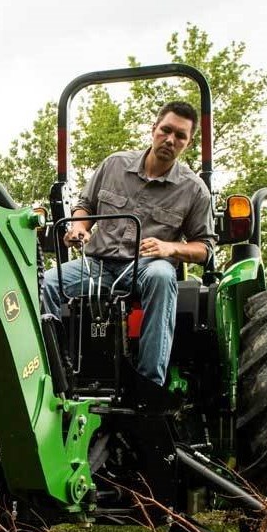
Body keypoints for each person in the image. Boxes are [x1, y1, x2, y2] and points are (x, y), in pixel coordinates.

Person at [41, 101, 215, 386]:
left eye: (180, 136)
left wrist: (169, 248)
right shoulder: (115, 164)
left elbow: (204, 248)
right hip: (98, 264)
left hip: (145, 268)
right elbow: (85, 205)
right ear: (154, 129)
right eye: (166, 130)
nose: (170, 140)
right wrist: (79, 228)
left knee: (162, 275)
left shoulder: (194, 190)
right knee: (46, 283)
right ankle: (54, 374)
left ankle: (149, 384)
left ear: (188, 142)